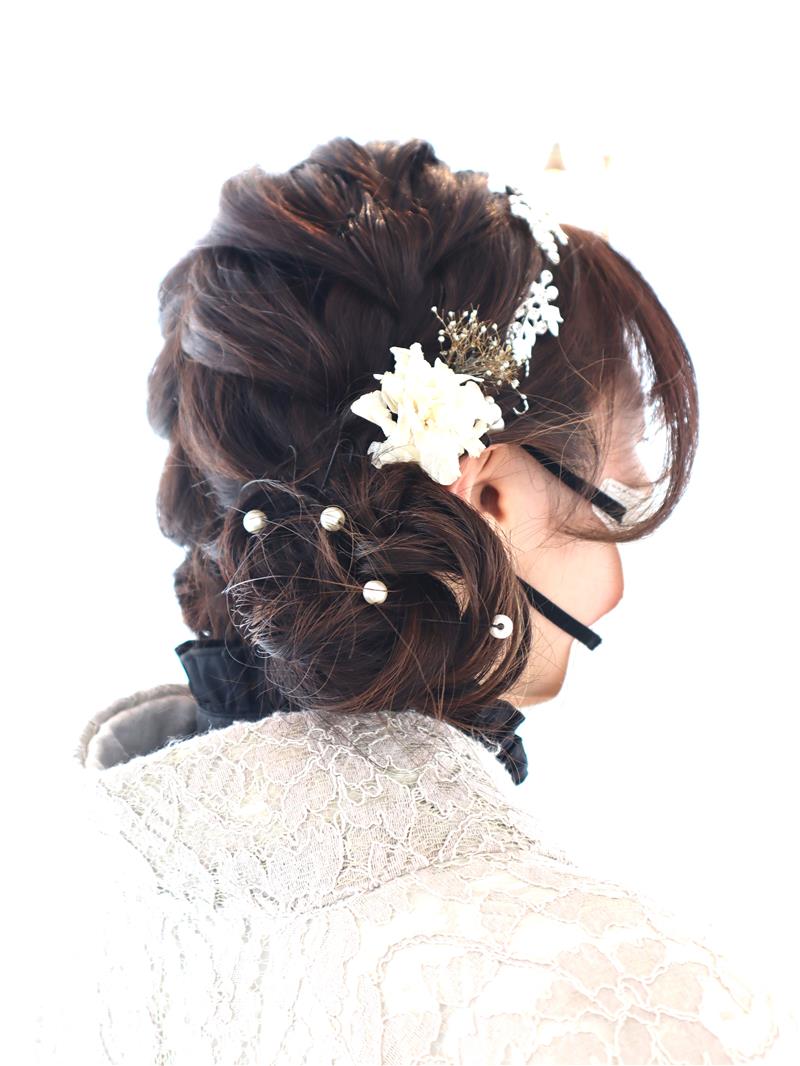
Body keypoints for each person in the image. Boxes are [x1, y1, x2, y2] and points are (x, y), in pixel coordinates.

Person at [51, 137, 798, 1063]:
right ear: (490, 493)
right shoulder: (637, 1002)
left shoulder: (57, 902)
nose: (615, 586)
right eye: (620, 492)